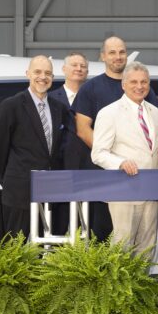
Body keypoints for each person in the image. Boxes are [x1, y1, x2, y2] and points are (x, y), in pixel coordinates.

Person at [73, 36, 158, 240]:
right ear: (103, 56)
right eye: (112, 52)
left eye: (121, 52)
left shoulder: (148, 98)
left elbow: (154, 140)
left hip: (145, 182)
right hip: (109, 177)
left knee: (145, 244)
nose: (118, 57)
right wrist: (117, 160)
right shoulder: (91, 89)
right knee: (110, 238)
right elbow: (83, 130)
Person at [0, 55, 70, 237]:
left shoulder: (59, 108)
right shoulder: (10, 106)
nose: (43, 77)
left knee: (48, 248)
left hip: (52, 192)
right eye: (38, 72)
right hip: (20, 191)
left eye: (48, 73)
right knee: (18, 250)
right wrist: (11, 176)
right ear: (27, 74)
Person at [91, 62, 158, 254]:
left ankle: (142, 285)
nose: (139, 86)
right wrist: (120, 163)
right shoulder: (109, 113)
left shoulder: (155, 112)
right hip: (123, 191)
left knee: (147, 247)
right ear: (123, 84)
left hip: (151, 192)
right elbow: (98, 153)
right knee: (122, 247)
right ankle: (120, 286)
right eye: (133, 82)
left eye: (144, 82)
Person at [47, 51, 88, 235]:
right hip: (59, 170)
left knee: (87, 227)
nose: (79, 69)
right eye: (74, 65)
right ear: (64, 69)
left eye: (83, 66)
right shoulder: (50, 98)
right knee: (58, 225)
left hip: (88, 169)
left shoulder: (92, 98)